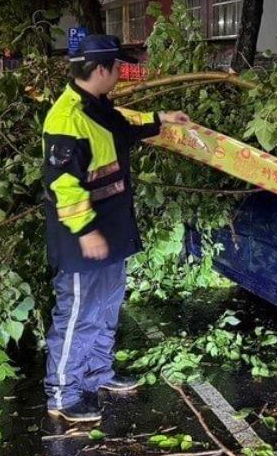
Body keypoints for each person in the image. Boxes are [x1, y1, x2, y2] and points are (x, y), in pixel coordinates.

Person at [42, 34, 189, 422]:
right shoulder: (67, 119)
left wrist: (160, 120)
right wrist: (86, 230)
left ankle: (96, 373)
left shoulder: (99, 106)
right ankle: (63, 393)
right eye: (119, 67)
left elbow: (123, 128)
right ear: (102, 69)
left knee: (106, 308)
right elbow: (62, 185)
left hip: (112, 230)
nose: (122, 73)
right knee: (77, 314)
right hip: (84, 239)